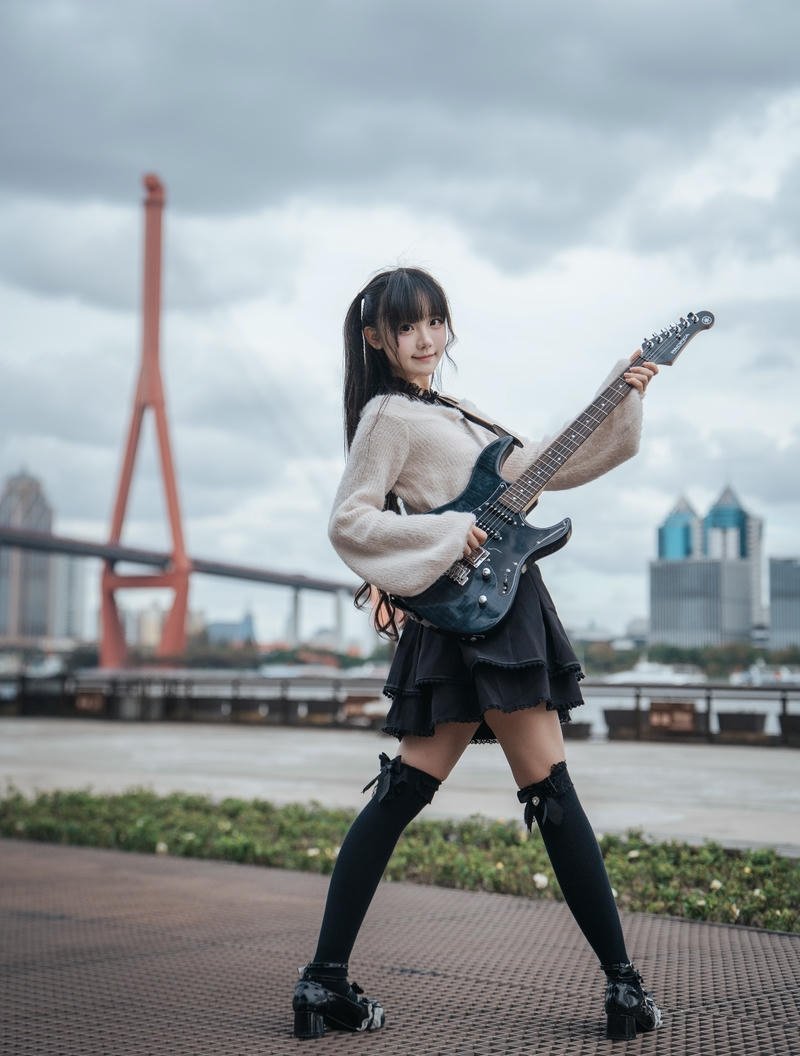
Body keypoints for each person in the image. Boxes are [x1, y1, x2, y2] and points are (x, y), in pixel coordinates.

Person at [292, 266, 663, 1042]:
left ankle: (323, 983)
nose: (427, 339)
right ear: (376, 339)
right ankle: (624, 988)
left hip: (479, 603)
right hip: (478, 608)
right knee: (549, 790)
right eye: (408, 327)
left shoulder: (453, 412)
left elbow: (546, 465)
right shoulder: (387, 416)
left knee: (406, 794)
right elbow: (349, 520)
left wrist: (622, 389)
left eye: (436, 322)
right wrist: (438, 533)